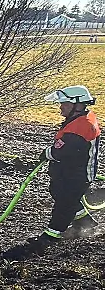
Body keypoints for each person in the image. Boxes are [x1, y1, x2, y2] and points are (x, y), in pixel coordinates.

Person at [33, 85, 101, 248]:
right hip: (68, 172)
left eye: (64, 103)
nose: (60, 107)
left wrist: (46, 153)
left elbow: (62, 151)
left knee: (64, 204)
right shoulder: (79, 120)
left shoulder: (81, 126)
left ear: (76, 105)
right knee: (59, 193)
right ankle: (85, 221)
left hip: (77, 175)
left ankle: (51, 235)